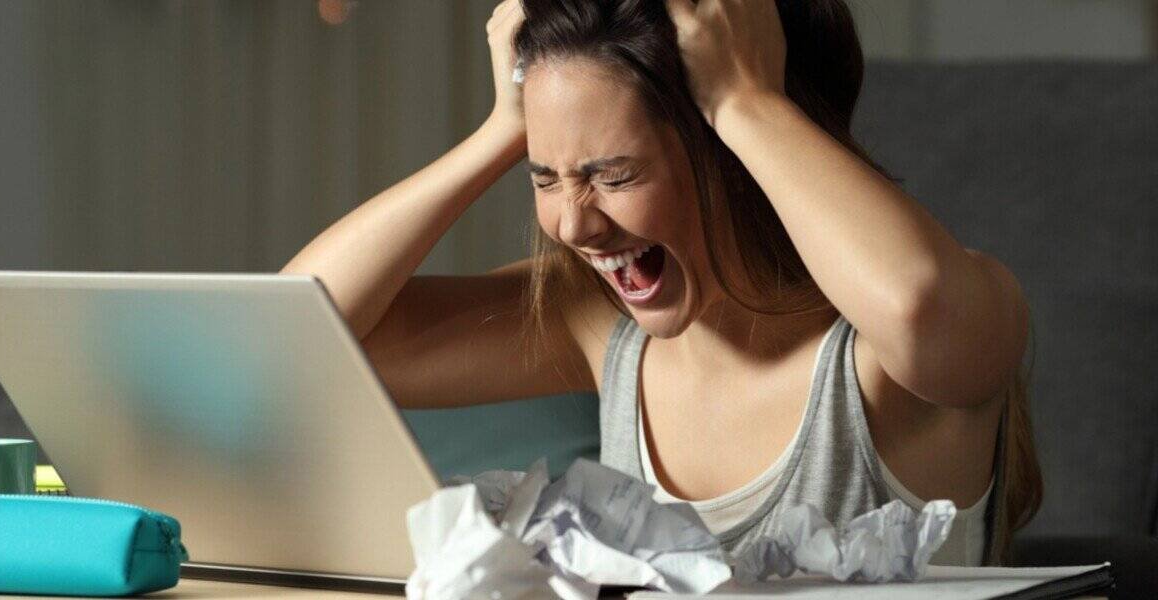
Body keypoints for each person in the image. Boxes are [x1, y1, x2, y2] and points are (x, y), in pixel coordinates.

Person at [283, 0, 1042, 566]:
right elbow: (296, 339)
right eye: (545, 177)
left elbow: (920, 307)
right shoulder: (595, 323)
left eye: (613, 175)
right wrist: (504, 128)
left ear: (741, 151)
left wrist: (748, 101)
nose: (574, 226)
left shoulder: (886, 357)